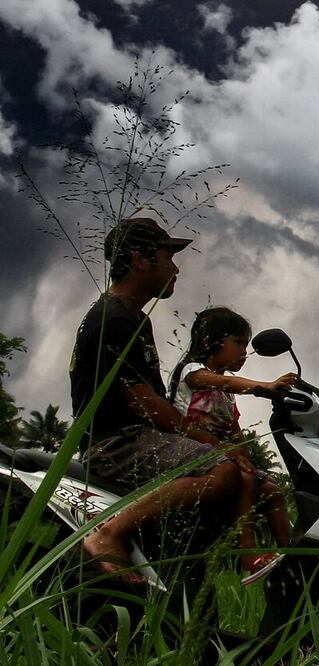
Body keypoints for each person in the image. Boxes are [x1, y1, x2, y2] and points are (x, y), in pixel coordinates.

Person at [70, 217, 243, 584]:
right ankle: (109, 534)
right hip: (117, 443)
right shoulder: (112, 318)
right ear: (140, 260)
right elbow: (145, 402)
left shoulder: (132, 318)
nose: (175, 267)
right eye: (168, 256)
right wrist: (212, 444)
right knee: (222, 468)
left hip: (136, 439)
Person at [168, 306, 295, 581]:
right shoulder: (194, 371)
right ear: (210, 341)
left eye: (246, 345)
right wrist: (265, 387)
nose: (243, 351)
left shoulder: (226, 393)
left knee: (272, 489)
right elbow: (224, 383)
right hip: (188, 451)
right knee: (247, 481)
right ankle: (249, 555)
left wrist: (246, 456)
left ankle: (295, 558)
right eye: (238, 342)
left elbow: (233, 429)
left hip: (219, 455)